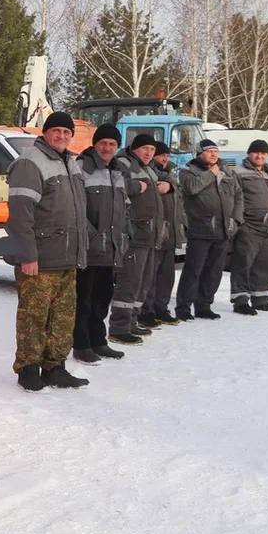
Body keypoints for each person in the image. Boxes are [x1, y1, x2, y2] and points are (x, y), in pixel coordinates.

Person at [6, 112, 89, 391]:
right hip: (40, 259)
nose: (62, 136)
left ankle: (55, 367)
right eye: (57, 131)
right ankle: (28, 369)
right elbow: (20, 215)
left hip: (67, 257)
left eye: (67, 132)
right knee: (34, 315)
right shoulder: (30, 162)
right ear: (45, 132)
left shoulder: (71, 162)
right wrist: (27, 255)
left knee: (63, 316)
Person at [72, 123, 130, 364]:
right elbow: (76, 208)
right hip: (88, 248)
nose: (107, 148)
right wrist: (93, 236)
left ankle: (98, 341)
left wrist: (124, 236)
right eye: (103, 143)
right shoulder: (81, 167)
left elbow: (124, 208)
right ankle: (81, 344)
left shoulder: (118, 171)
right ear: (95, 144)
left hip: (111, 248)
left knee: (102, 298)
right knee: (84, 300)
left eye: (112, 144)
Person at [107, 133, 164, 345]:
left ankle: (132, 320)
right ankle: (119, 327)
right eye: (144, 148)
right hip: (134, 234)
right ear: (134, 148)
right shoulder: (123, 163)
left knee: (142, 282)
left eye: (152, 149)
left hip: (149, 234)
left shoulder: (148, 168)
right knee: (129, 282)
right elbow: (118, 186)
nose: (149, 153)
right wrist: (137, 187)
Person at [176, 139, 241, 320]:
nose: (213, 154)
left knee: (214, 271)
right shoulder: (188, 171)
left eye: (216, 151)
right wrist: (211, 174)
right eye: (209, 151)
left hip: (223, 229)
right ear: (199, 153)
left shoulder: (227, 172)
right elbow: (192, 188)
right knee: (193, 270)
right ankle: (183, 307)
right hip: (200, 229)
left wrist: (236, 219)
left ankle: (204, 305)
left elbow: (238, 196)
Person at [229, 140, 268, 314]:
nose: (259, 156)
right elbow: (233, 198)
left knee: (266, 264)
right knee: (243, 263)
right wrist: (239, 222)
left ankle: (261, 298)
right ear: (248, 154)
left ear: (267, 155)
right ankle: (240, 300)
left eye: (263, 153)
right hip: (250, 227)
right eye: (256, 152)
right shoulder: (239, 172)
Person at [140, 142, 184, 327]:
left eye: (167, 155)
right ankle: (146, 310)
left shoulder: (171, 175)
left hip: (171, 233)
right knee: (150, 276)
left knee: (167, 276)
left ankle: (161, 308)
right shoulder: (150, 172)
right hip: (156, 231)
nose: (165, 158)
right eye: (161, 155)